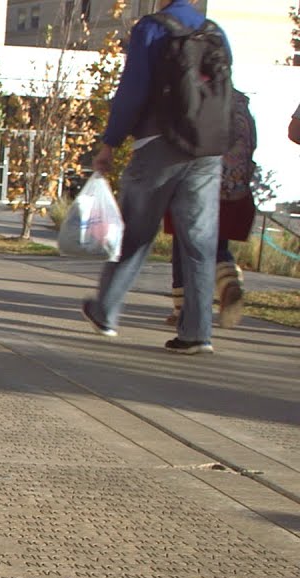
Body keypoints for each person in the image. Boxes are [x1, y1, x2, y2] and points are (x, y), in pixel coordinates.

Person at [81, 0, 232, 354]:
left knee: (136, 231)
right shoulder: (214, 32)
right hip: (208, 148)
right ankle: (197, 332)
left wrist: (110, 143)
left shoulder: (152, 27)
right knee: (200, 243)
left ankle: (105, 310)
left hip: (158, 144)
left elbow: (133, 91)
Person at [164, 88, 256, 329]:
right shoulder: (241, 105)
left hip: (198, 182)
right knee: (217, 244)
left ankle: (182, 308)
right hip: (233, 190)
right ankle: (228, 278)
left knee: (183, 244)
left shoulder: (198, 96)